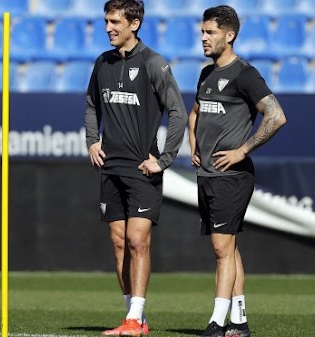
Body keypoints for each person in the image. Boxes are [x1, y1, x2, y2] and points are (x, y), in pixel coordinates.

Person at [84, 0, 187, 336]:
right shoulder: (103, 63)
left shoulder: (154, 63)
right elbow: (90, 105)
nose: (109, 27)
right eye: (106, 21)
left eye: (115, 21)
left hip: (143, 168)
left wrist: (165, 158)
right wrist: (92, 140)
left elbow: (178, 113)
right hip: (109, 167)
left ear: (135, 23)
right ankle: (134, 318)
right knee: (118, 242)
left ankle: (135, 317)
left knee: (137, 240)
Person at [188, 5, 287, 337]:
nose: (203, 37)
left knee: (220, 249)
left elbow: (275, 116)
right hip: (208, 175)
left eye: (210, 32)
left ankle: (216, 322)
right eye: (202, 31)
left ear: (229, 35)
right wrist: (194, 145)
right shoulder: (206, 73)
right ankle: (240, 322)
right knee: (228, 248)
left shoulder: (245, 74)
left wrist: (243, 149)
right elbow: (196, 111)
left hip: (233, 176)